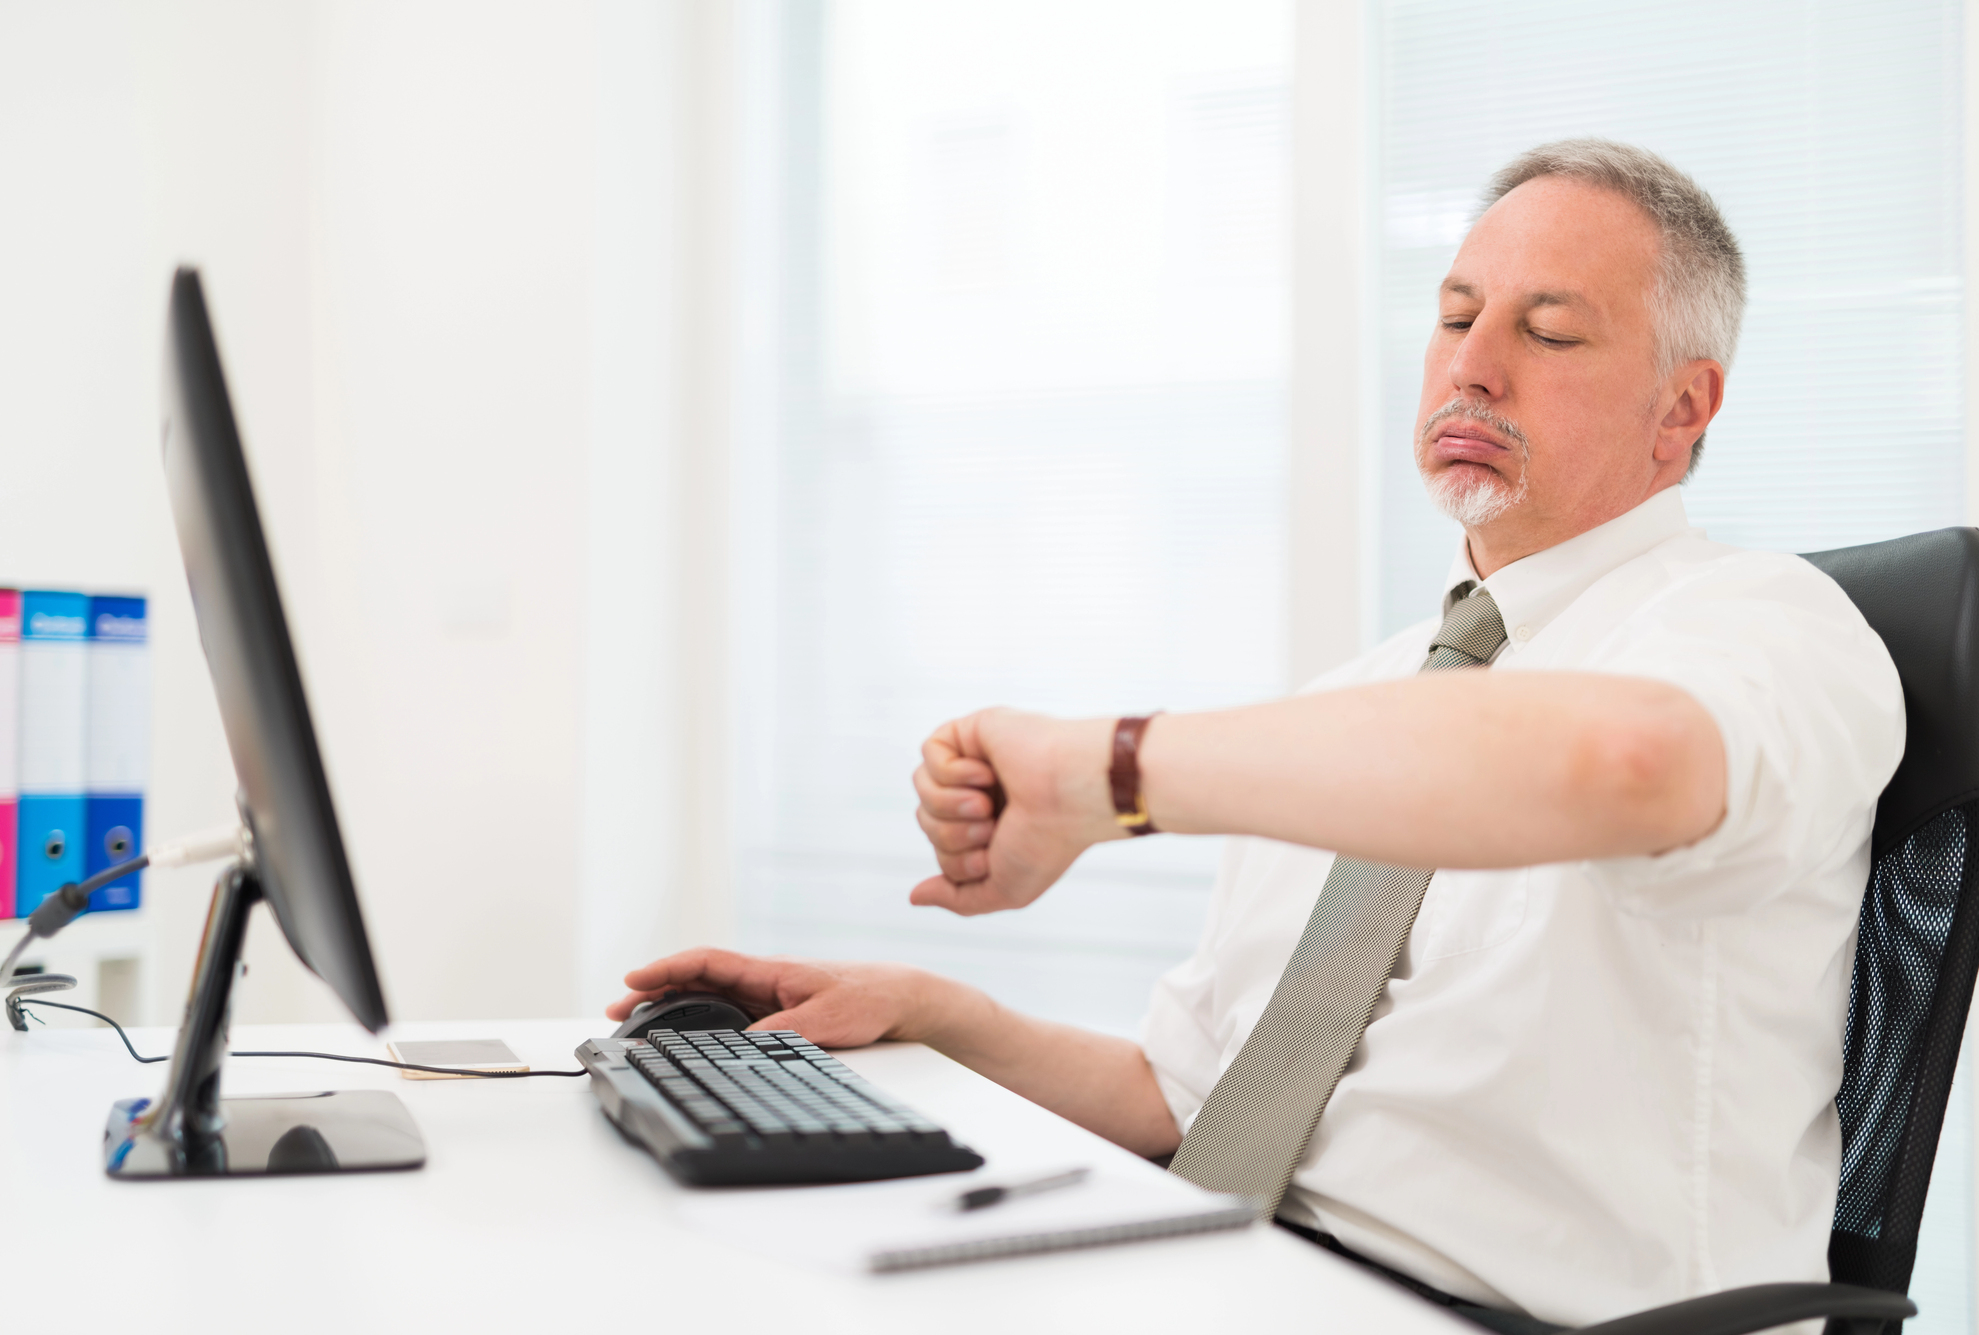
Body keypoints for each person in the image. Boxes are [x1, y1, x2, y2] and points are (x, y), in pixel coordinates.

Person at [609, 140, 1903, 1332]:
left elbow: (1624, 765)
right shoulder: (1368, 701)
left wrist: (1106, 774)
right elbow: (1186, 1102)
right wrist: (936, 1016)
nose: (1473, 364)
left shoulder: (1765, 623)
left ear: (1684, 410)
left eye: (1548, 330)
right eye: (1456, 316)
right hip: (1242, 1273)